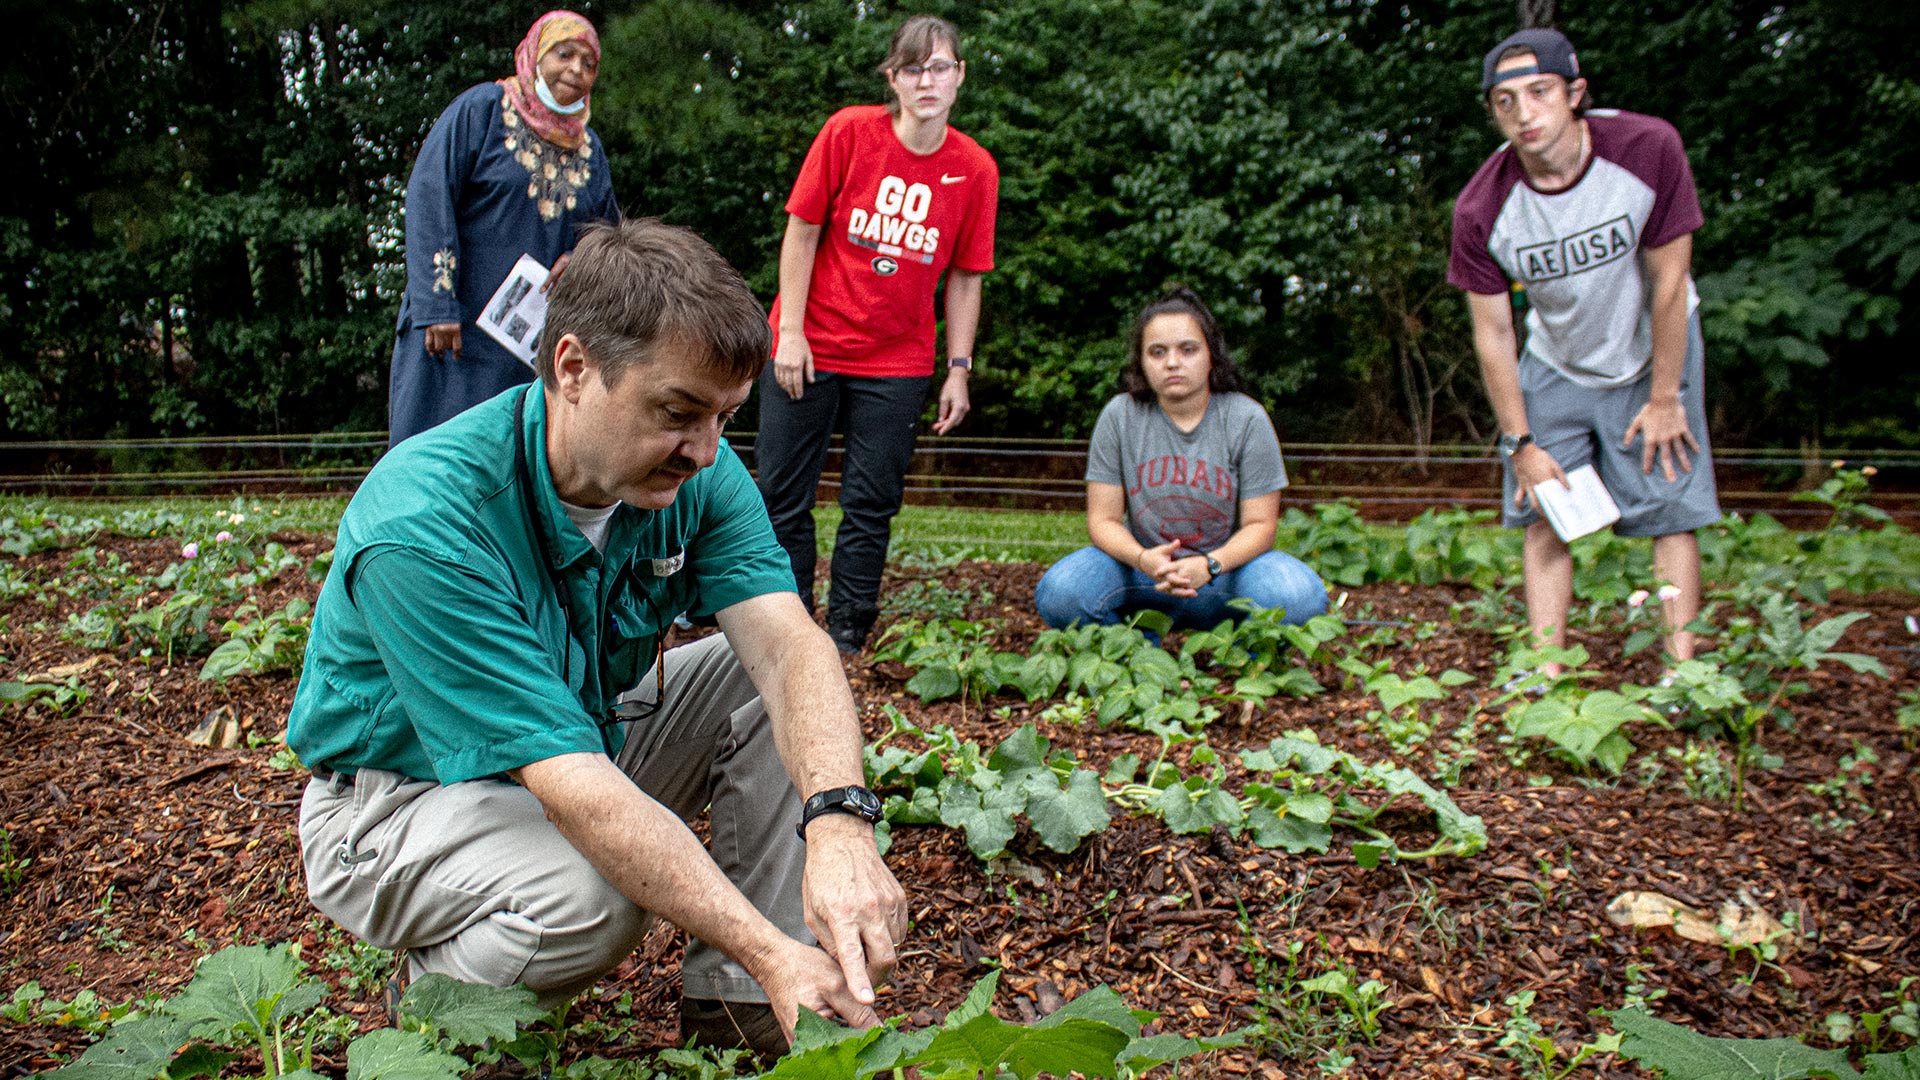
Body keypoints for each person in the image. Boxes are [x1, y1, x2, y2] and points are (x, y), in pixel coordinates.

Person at [288, 219, 906, 1061]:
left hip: (575, 741)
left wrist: (839, 825)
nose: (707, 451)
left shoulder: (693, 471)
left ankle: (735, 1007)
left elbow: (793, 647)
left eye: (725, 417)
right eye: (679, 413)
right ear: (572, 368)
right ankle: (440, 1013)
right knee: (595, 896)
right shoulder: (426, 523)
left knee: (753, 678)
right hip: (397, 800)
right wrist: (774, 947)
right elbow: (574, 788)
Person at [1449, 28, 1720, 676]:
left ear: (1575, 93)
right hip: (1557, 360)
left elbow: (1667, 285)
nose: (1524, 113)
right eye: (1504, 101)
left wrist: (1664, 396)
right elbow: (1493, 334)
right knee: (1542, 508)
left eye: (1539, 92)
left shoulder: (1647, 149)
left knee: (1668, 511)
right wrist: (1521, 446)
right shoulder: (1482, 207)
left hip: (1652, 349)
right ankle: (1546, 673)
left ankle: (1683, 675)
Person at [755, 14, 1000, 654]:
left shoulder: (974, 169)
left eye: (940, 67)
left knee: (871, 501)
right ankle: (790, 627)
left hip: (899, 358)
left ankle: (847, 633)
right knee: (783, 495)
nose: (927, 80)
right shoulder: (848, 133)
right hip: (809, 343)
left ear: (959, 77)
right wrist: (792, 335)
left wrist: (958, 367)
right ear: (893, 78)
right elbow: (802, 232)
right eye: (913, 68)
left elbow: (968, 275)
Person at [386, 10, 620, 447]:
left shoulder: (590, 151)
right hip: (455, 333)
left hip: (530, 346)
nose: (576, 70)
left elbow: (607, 233)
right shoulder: (484, 111)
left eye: (589, 64)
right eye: (564, 54)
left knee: (511, 455)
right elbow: (430, 192)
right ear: (534, 56)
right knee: (435, 452)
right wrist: (436, 306)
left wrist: (585, 260)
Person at [1034, 288, 1328, 632]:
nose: (1172, 362)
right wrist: (1144, 559)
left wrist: (1210, 565)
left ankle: (1238, 653)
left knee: (1298, 596)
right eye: (1157, 352)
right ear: (1142, 362)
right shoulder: (1119, 416)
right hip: (1144, 574)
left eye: (1187, 349)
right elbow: (1103, 520)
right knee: (1061, 592)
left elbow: (1261, 526)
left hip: (1227, 575)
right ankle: (1133, 648)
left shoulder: (1247, 418)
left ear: (1211, 356)